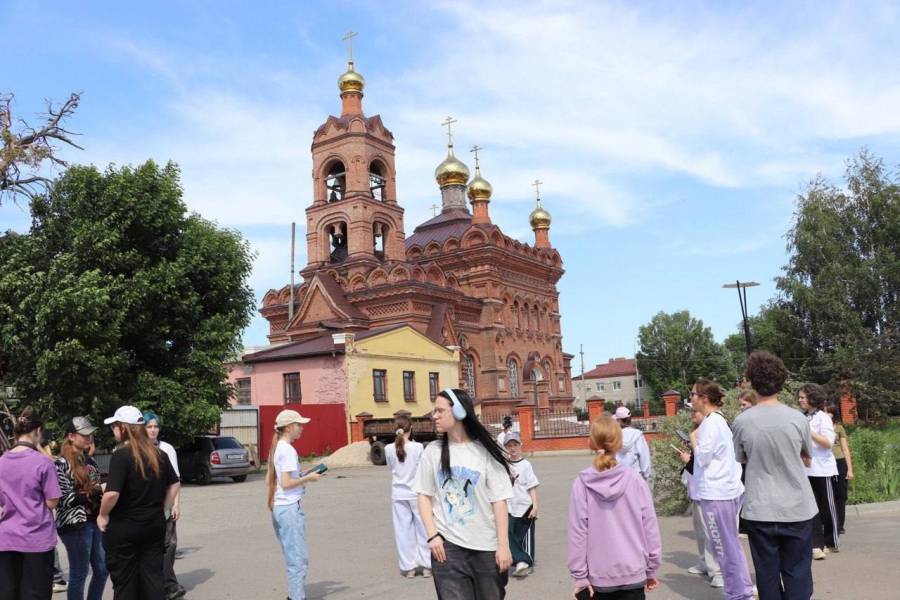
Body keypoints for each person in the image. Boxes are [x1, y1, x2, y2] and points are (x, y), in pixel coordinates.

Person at [413, 388, 514, 600]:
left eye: (440, 411)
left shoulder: (485, 451)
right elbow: (424, 495)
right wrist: (432, 536)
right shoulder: (432, 451)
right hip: (448, 549)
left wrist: (503, 545)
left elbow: (499, 501)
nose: (434, 416)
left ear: (459, 412)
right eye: (434, 411)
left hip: (486, 548)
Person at [733, 351, 818, 600]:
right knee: (798, 573)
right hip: (796, 507)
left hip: (760, 509)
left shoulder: (741, 421)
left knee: (767, 575)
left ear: (751, 382)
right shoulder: (797, 419)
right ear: (781, 381)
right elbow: (807, 456)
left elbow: (741, 457)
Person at [568, 415, 661, 599]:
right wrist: (651, 568)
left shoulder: (582, 484)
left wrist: (580, 577)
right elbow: (649, 527)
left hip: (598, 577)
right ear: (619, 444)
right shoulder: (636, 480)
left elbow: (578, 532)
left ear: (590, 443)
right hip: (634, 572)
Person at [98, 406, 180, 600]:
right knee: (152, 580)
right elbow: (174, 484)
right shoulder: (158, 453)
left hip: (125, 526)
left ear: (123, 428)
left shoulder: (122, 455)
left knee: (126, 582)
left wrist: (103, 515)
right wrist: (162, 508)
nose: (114, 431)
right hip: (153, 525)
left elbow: (112, 494)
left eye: (115, 427)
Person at [688, 379, 754, 600]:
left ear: (704, 398)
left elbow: (704, 457)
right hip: (724, 491)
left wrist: (693, 440)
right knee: (729, 545)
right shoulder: (716, 421)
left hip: (717, 493)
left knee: (722, 549)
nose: (691, 399)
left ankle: (738, 594)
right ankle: (743, 589)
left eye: (693, 395)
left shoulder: (711, 423)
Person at [0, 408, 62, 600]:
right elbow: (52, 502)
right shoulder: (43, 462)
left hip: (7, 538)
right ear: (37, 431)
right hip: (37, 539)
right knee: (35, 594)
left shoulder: (1, 461)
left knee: (9, 593)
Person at [267, 409, 322, 600]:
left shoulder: (279, 447)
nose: (302, 428)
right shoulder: (288, 450)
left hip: (281, 507)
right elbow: (287, 483)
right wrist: (309, 478)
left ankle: (295, 596)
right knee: (298, 560)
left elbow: (286, 478)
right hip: (289, 508)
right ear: (289, 427)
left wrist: (301, 474)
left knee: (293, 557)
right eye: (299, 425)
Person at [55, 417, 109, 600]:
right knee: (79, 573)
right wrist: (96, 491)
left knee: (102, 571)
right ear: (71, 436)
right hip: (75, 524)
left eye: (91, 434)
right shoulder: (61, 464)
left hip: (95, 521)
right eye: (84, 434)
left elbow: (99, 490)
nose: (89, 438)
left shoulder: (91, 461)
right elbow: (64, 500)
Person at [677, 407, 722, 588]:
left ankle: (716, 571)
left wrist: (689, 459)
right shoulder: (699, 433)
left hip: (708, 490)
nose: (692, 414)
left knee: (711, 531)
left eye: (695, 411)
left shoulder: (712, 429)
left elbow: (706, 460)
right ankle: (704, 562)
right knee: (700, 530)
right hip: (696, 489)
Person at [144, 413, 186, 600]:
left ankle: (169, 585)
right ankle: (158, 585)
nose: (153, 430)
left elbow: (175, 480)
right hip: (146, 508)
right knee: (151, 548)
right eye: (149, 426)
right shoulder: (138, 450)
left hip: (166, 506)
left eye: (156, 426)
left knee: (169, 546)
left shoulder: (167, 449)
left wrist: (176, 504)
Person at [385, 415, 431, 579]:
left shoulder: (388, 449)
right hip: (416, 492)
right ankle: (427, 565)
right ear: (410, 428)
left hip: (398, 493)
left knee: (403, 530)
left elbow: (391, 467)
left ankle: (408, 566)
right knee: (423, 528)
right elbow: (422, 468)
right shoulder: (418, 447)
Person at [798, 384, 840, 557]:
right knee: (811, 508)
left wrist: (810, 432)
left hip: (823, 469)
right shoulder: (802, 417)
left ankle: (831, 540)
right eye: (799, 397)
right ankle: (817, 544)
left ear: (812, 397)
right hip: (807, 470)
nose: (799, 400)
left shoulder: (823, 417)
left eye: (802, 397)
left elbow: (828, 443)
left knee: (827, 508)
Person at [503, 432, 539, 578]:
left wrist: (535, 506)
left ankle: (526, 563)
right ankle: (520, 561)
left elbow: (532, 487)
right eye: (509, 445)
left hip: (525, 506)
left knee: (524, 536)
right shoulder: (504, 464)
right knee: (508, 533)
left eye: (515, 445)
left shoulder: (526, 465)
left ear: (520, 445)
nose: (513, 448)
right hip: (509, 507)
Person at [822, 401, 853, 534]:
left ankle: (840, 525)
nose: (827, 414)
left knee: (841, 494)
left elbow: (845, 449)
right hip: (825, 462)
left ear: (833, 413)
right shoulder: (819, 428)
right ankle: (828, 524)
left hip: (839, 461)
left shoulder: (839, 428)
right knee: (828, 495)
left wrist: (849, 469)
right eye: (824, 411)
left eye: (829, 412)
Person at [612, 407, 651, 480]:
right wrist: (645, 474)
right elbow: (644, 456)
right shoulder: (637, 434)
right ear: (630, 419)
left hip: (617, 476)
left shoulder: (612, 435)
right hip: (634, 475)